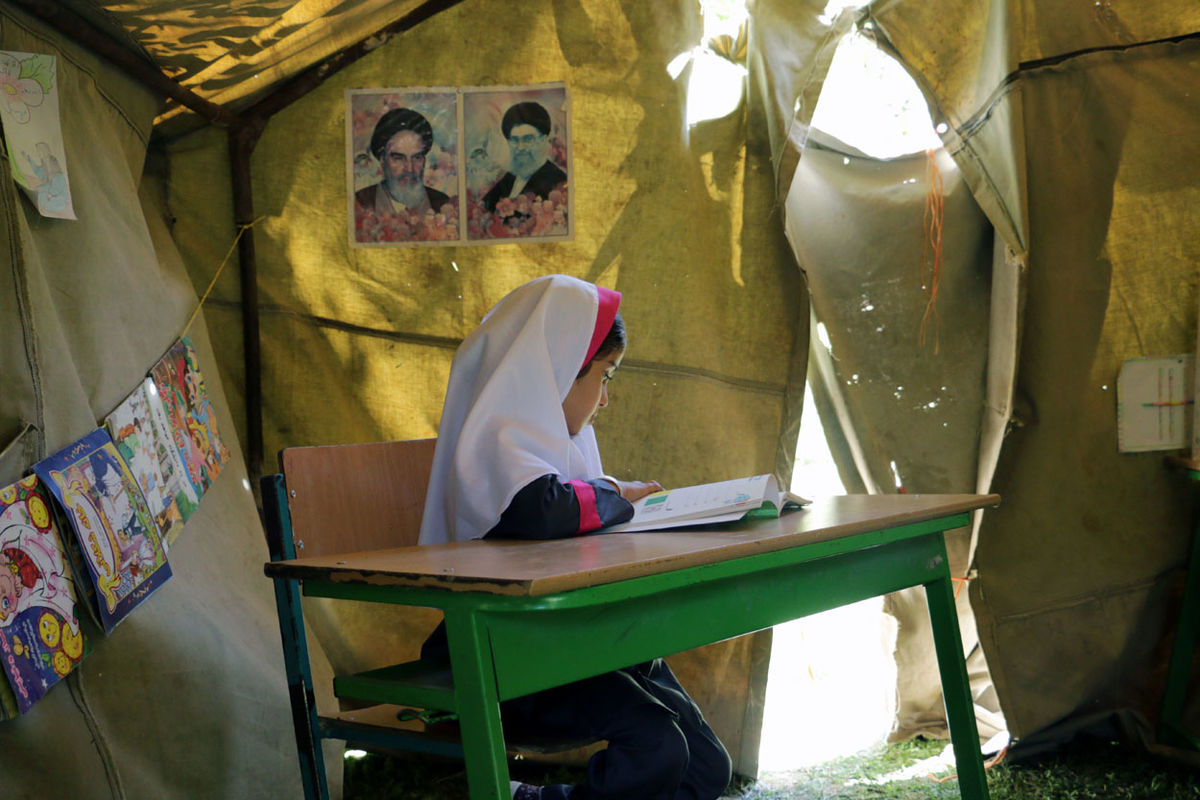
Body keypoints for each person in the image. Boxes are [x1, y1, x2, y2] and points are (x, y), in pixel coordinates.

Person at [418, 274, 732, 800]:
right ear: (557, 370)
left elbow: (580, 509)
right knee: (656, 748)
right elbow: (543, 508)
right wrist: (618, 497)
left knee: (706, 769)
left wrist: (615, 497)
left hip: (582, 641)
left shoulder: (565, 444)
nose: (605, 400)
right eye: (605, 376)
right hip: (505, 654)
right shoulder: (495, 437)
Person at [355, 107, 450, 218]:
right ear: (382, 160)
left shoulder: (442, 204)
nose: (409, 168)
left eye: (416, 157)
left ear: (424, 161)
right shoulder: (360, 203)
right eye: (398, 158)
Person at [480, 101, 568, 212]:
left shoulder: (557, 181)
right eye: (515, 140)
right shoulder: (510, 177)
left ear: (544, 140)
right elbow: (484, 209)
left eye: (528, 139)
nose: (520, 147)